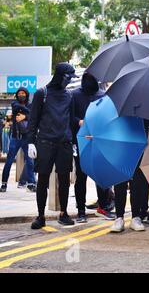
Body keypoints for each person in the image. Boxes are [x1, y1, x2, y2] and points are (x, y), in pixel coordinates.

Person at [27, 62, 78, 229]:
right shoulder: (42, 93)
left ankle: (63, 213)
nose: (70, 81)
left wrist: (75, 141)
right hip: (45, 143)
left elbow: (71, 120)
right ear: (61, 76)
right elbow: (33, 121)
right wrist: (30, 143)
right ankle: (40, 216)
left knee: (64, 180)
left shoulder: (69, 95)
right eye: (68, 77)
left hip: (64, 143)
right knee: (42, 179)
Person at [71, 72, 115, 223]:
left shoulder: (102, 95)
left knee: (100, 175)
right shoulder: (75, 95)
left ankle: (103, 207)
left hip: (97, 140)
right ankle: (81, 211)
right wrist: (79, 122)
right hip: (80, 141)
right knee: (81, 177)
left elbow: (107, 117)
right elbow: (70, 116)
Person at [1, 88, 36, 193]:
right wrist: (28, 113)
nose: (21, 95)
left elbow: (33, 117)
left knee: (30, 161)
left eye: (23, 93)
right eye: (19, 93)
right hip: (15, 137)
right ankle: (4, 183)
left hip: (27, 137)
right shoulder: (14, 103)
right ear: (17, 95)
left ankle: (31, 184)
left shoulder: (30, 105)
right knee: (9, 161)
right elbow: (19, 108)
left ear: (27, 94)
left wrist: (25, 116)